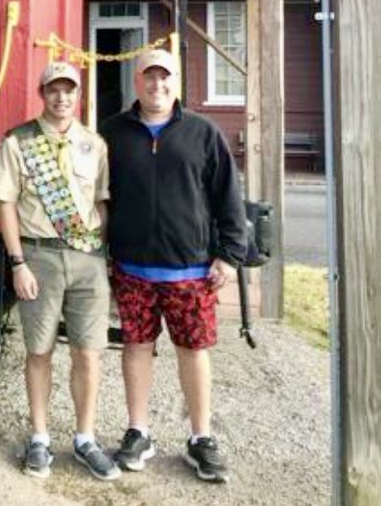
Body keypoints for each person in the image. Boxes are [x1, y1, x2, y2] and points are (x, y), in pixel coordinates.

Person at [99, 48, 249, 484]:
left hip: (190, 271)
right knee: (136, 348)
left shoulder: (203, 133)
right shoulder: (113, 134)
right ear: (137, 81)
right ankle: (138, 431)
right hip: (131, 269)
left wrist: (229, 253)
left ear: (176, 83)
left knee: (194, 353)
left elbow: (228, 197)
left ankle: (201, 438)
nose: (157, 85)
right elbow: (100, 197)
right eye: (149, 77)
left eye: (165, 78)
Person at [0, 61, 121, 481]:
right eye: (53, 90)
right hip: (38, 258)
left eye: (69, 90)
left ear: (78, 95)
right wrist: (18, 263)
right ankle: (40, 438)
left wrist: (94, 240)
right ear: (42, 93)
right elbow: (5, 204)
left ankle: (85, 439)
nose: (62, 98)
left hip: (87, 260)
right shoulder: (18, 142)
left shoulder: (94, 145)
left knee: (88, 352)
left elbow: (102, 200)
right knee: (39, 351)